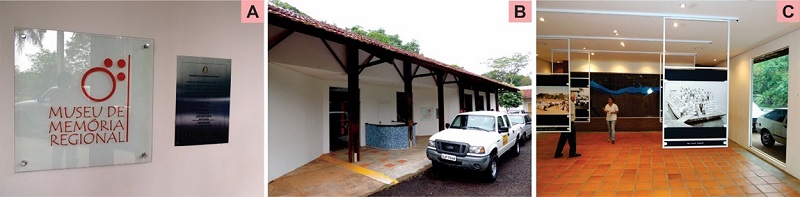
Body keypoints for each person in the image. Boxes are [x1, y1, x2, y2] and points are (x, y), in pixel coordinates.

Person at [555, 93, 581, 158]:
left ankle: (557, 153)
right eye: (574, 97)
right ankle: (572, 153)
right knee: (572, 139)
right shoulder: (571, 103)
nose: (575, 98)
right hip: (570, 123)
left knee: (562, 139)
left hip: (565, 123)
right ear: (572, 97)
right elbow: (571, 113)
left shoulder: (566, 103)